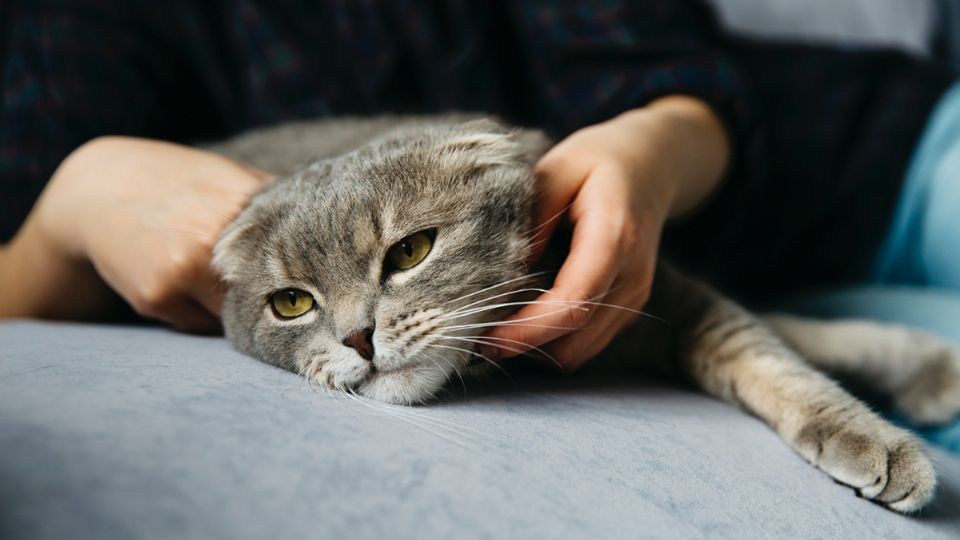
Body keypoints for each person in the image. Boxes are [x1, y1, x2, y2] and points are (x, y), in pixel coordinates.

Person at [0, 1, 955, 373]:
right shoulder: (78, 25)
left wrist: (648, 152)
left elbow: (675, 84)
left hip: (872, 159)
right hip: (757, 297)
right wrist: (68, 212)